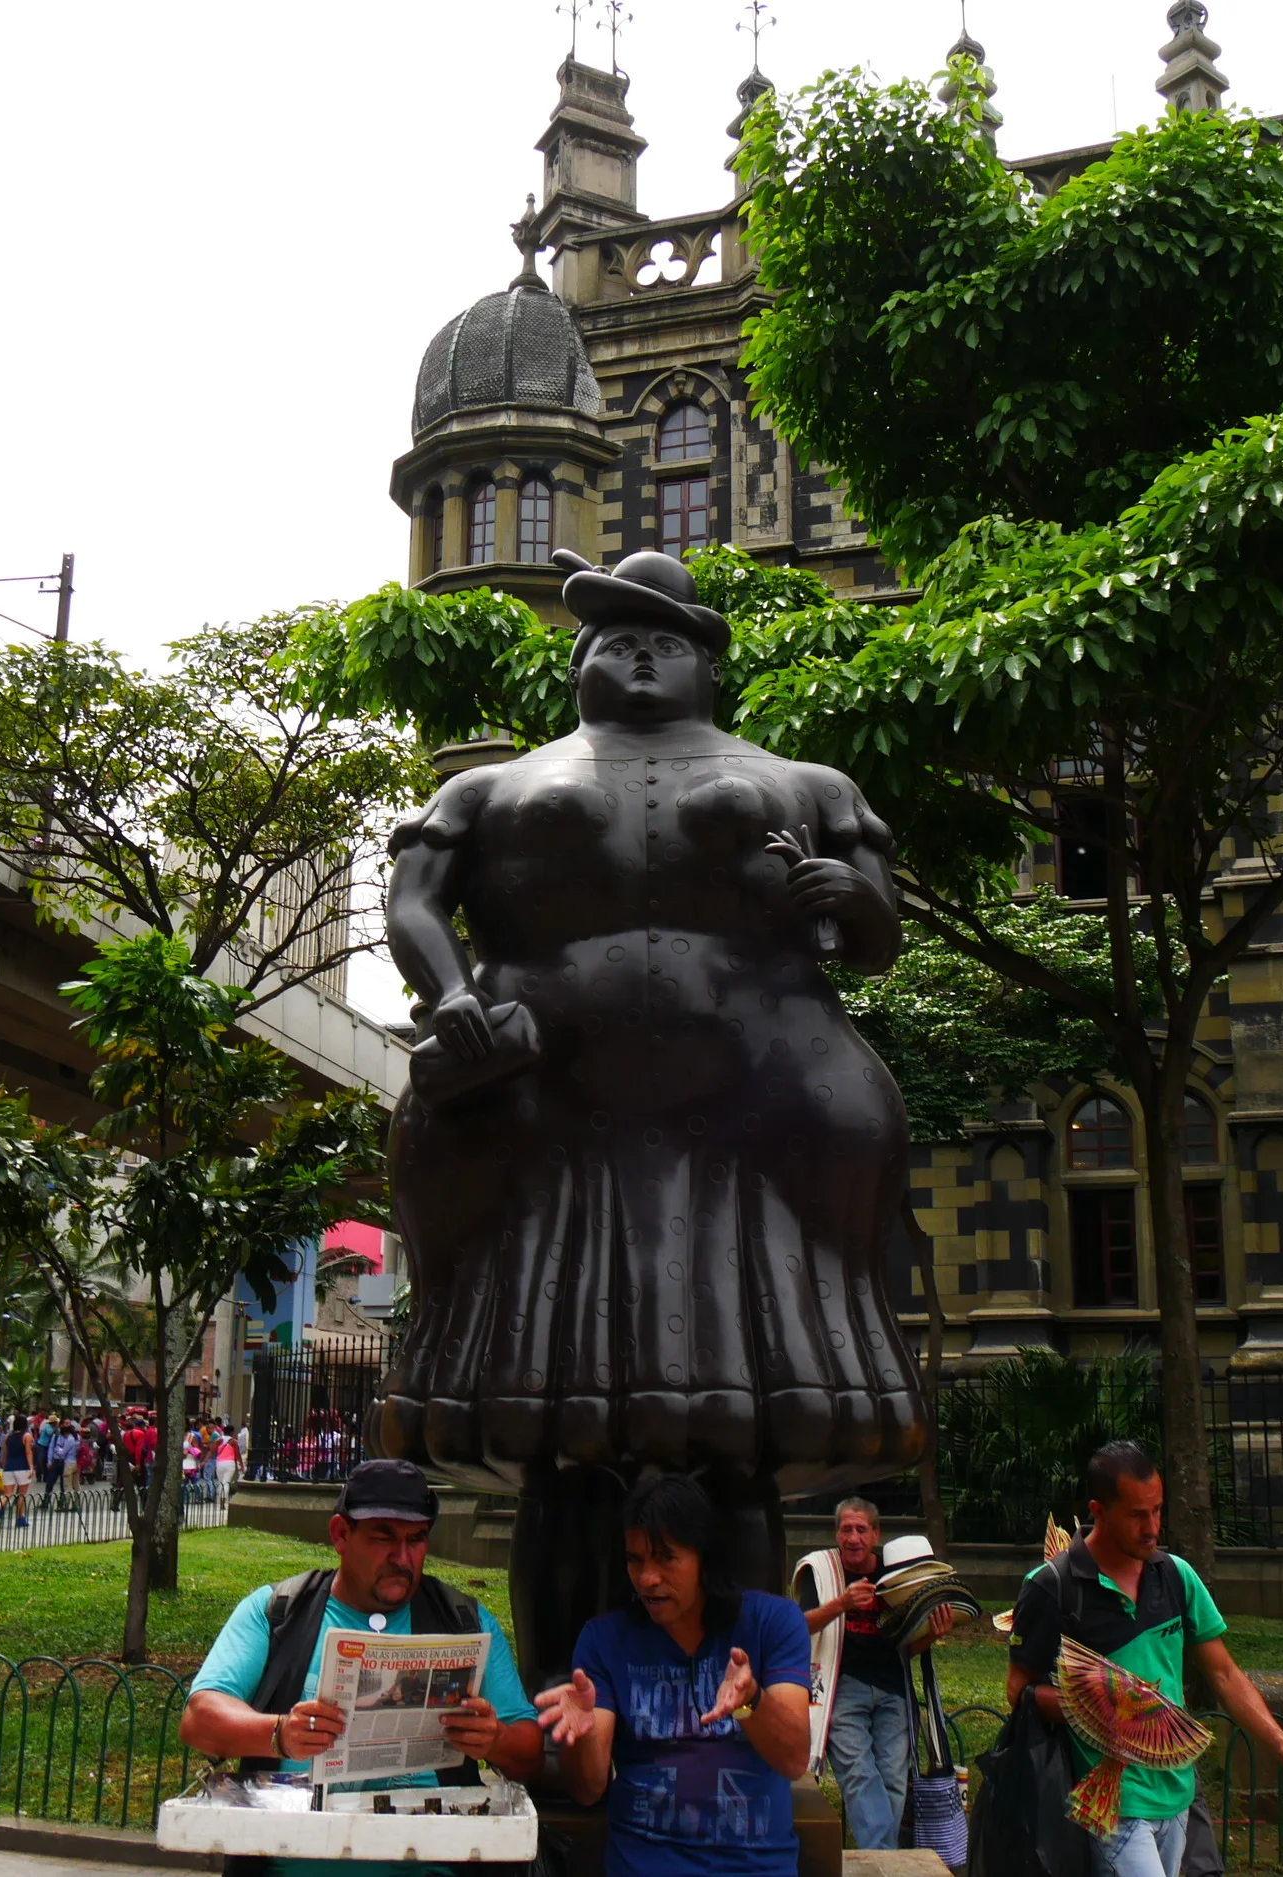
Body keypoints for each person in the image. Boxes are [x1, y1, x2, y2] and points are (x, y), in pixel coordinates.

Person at [379, 547, 925, 1688]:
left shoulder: (807, 782)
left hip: (756, 1118)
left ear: (706, 665)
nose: (635, 660)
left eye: (662, 642)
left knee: (736, 1436)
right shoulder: (488, 786)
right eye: (612, 642)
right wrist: (454, 1001)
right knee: (560, 1442)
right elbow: (414, 901)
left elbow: (878, 933)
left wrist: (850, 895)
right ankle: (559, 1719)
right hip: (546, 1122)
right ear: (575, 660)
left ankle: (730, 1724)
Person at [179, 1458, 541, 1877]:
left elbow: (529, 1751)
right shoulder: (279, 1611)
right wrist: (280, 1735)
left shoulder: (465, 1620)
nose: (402, 1557)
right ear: (340, 1534)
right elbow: (199, 1718)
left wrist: (493, 1739)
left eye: (417, 1539)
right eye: (383, 1538)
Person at [1010, 1442, 1283, 1877]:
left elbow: (1225, 1674)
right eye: (1137, 1515)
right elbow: (1019, 1691)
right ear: (1098, 1510)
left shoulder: (1177, 1575)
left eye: (1158, 1511)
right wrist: (1102, 1705)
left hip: (1178, 1794)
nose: (1152, 1527)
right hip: (1111, 1803)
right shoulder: (1052, 1586)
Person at [538, 1474, 815, 1876]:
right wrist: (579, 1736)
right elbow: (588, 1789)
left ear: (705, 1557)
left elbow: (793, 1760)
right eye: (635, 1559)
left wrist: (751, 1702)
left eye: (666, 1557)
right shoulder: (605, 1639)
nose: (648, 1578)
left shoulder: (771, 1623)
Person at [793, 1498, 952, 1851]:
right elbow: (796, 1626)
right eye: (846, 1529)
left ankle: (878, 1860)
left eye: (861, 1529)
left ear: (875, 1534)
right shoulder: (822, 1571)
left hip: (892, 1688)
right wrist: (842, 1605)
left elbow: (906, 1645)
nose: (852, 1537)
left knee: (894, 1779)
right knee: (859, 1775)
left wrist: (932, 1635)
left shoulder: (896, 1575)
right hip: (842, 1687)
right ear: (836, 1533)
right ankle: (884, 1863)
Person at [0, 1414, 34, 1526]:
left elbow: (5, 1453)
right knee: (22, 1494)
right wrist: (31, 1466)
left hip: (9, 1467)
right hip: (22, 1466)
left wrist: (4, 1463)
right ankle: (20, 1518)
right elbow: (28, 1452)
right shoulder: (27, 1436)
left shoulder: (8, 1437)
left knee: (7, 1494)